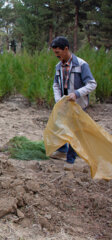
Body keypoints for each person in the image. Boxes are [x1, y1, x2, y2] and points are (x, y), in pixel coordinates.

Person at [49, 36, 97, 170]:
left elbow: (92, 84)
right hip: (64, 105)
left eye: (58, 53)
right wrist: (58, 99)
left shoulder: (81, 65)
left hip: (78, 105)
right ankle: (62, 150)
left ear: (66, 49)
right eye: (55, 53)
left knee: (74, 132)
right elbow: (56, 85)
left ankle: (70, 161)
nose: (57, 56)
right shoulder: (58, 67)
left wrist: (76, 94)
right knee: (59, 125)